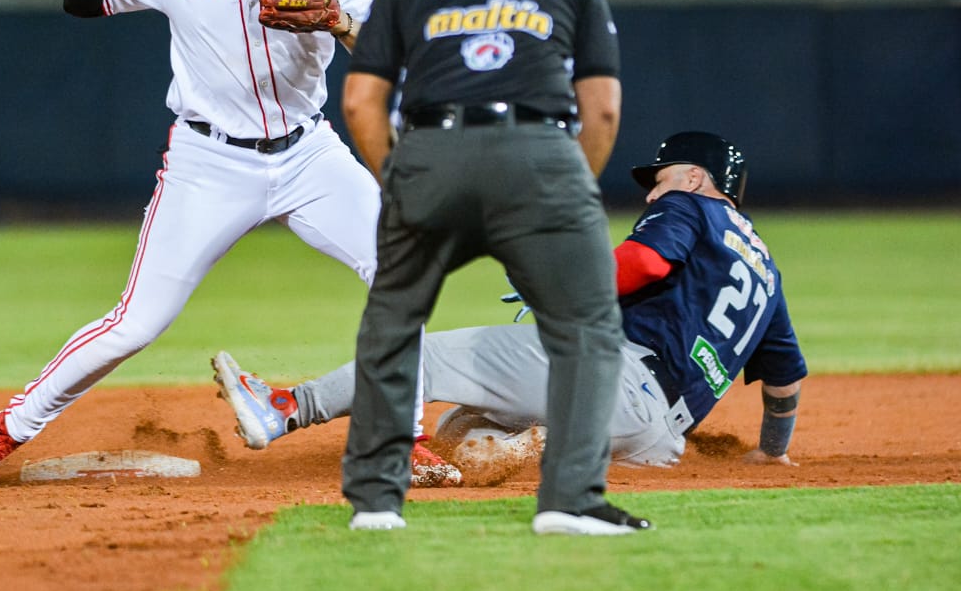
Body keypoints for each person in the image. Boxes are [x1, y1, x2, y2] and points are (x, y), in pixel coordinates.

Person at [0, 0, 454, 486]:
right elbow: (81, 3)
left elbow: (390, 56)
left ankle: (402, 439)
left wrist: (336, 18)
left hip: (309, 154)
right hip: (210, 163)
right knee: (136, 322)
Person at [333, 0, 643, 534]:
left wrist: (401, 178)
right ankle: (570, 499)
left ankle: (378, 504)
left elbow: (359, 102)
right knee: (586, 327)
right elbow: (603, 109)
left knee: (393, 324)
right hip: (541, 154)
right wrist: (567, 189)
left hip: (431, 149)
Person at [212, 131, 808, 478]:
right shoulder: (768, 273)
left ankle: (287, 407)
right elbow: (784, 383)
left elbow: (648, 262)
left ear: (699, 178)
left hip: (615, 379)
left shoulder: (690, 207)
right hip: (657, 442)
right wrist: (770, 454)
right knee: (461, 423)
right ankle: (530, 445)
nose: (653, 187)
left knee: (425, 357)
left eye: (663, 175)